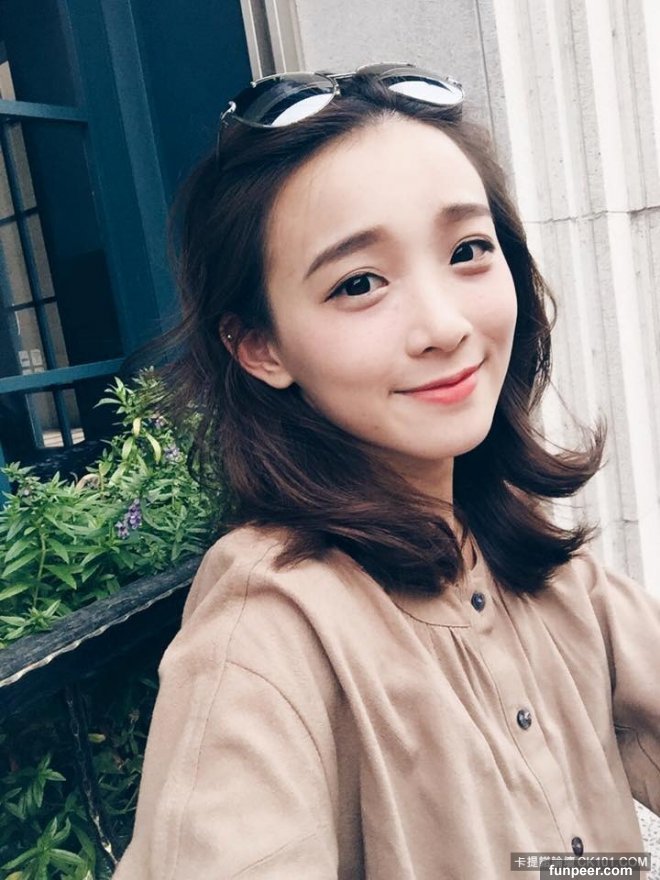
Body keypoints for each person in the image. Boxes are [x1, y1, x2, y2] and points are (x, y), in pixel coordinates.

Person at [112, 65, 660, 879]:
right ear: (260, 346)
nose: (443, 325)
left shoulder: (526, 557)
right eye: (359, 284)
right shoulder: (269, 629)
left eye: (468, 251)